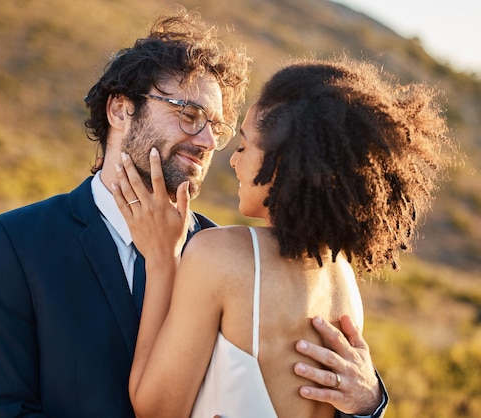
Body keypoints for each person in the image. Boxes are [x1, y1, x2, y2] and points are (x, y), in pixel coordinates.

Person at [0, 8, 387, 418]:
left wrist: (369, 400)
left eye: (217, 128)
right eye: (190, 115)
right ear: (121, 110)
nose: (205, 140)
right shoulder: (18, 243)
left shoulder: (225, 256)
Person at [116, 55, 455, 417]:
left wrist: (163, 261)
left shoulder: (220, 255)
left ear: (283, 164)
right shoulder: (343, 280)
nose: (233, 160)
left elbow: (155, 409)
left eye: (244, 146)